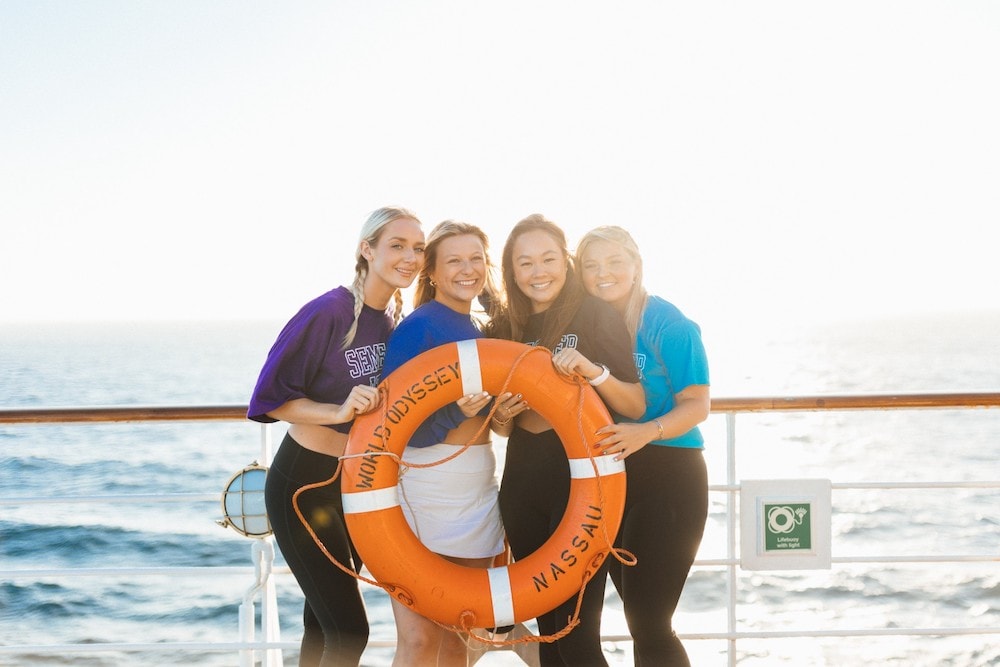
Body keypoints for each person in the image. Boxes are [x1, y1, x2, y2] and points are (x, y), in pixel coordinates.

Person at [247, 207, 425, 667]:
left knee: (321, 624)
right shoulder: (328, 312)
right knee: (349, 629)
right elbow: (270, 398)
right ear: (367, 249)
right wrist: (337, 410)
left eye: (418, 248)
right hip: (303, 485)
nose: (410, 257)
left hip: (354, 486)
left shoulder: (390, 318)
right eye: (397, 245)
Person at [486, 214, 646, 667]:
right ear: (512, 271)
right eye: (525, 263)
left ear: (566, 261)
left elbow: (634, 405)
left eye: (549, 259)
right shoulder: (504, 325)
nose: (539, 272)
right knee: (549, 635)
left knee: (577, 634)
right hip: (521, 485)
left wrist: (593, 372)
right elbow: (500, 426)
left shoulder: (594, 314)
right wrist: (499, 415)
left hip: (584, 484)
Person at [575, 225, 711, 667]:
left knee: (651, 621)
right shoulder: (587, 326)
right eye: (592, 266)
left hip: (671, 476)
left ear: (636, 265)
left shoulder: (669, 324)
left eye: (615, 262)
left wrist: (646, 430)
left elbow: (697, 405)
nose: (604, 274)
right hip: (615, 479)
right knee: (638, 617)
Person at [379, 220, 506, 666]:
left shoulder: (479, 326)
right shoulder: (419, 329)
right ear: (432, 270)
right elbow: (392, 427)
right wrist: (457, 413)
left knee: (463, 634)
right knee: (421, 639)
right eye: (454, 260)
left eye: (476, 259)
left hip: (478, 484)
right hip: (429, 489)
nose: (467, 269)